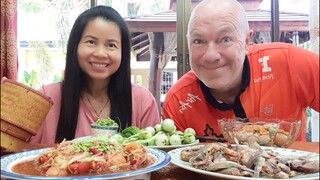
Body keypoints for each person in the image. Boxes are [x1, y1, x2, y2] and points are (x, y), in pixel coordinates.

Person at [162, 0, 319, 142]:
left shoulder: (288, 62)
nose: (211, 55)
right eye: (198, 41)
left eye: (225, 39)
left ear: (246, 41)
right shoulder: (178, 101)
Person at [30, 5, 160, 144]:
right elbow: (19, 152)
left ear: (123, 52)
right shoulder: (46, 99)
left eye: (111, 45)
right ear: (75, 46)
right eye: (91, 42)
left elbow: (153, 158)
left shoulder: (142, 101)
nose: (100, 53)